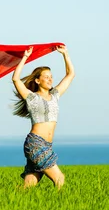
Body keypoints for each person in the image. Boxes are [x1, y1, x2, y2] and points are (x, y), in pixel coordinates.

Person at [12, 45, 75, 189]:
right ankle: (61, 207)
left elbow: (70, 74)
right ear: (37, 81)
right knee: (59, 178)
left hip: (47, 145)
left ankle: (6, 200)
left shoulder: (55, 95)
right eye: (46, 77)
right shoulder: (31, 97)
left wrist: (65, 54)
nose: (50, 79)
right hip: (36, 143)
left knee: (29, 185)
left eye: (51, 77)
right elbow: (16, 79)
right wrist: (25, 57)